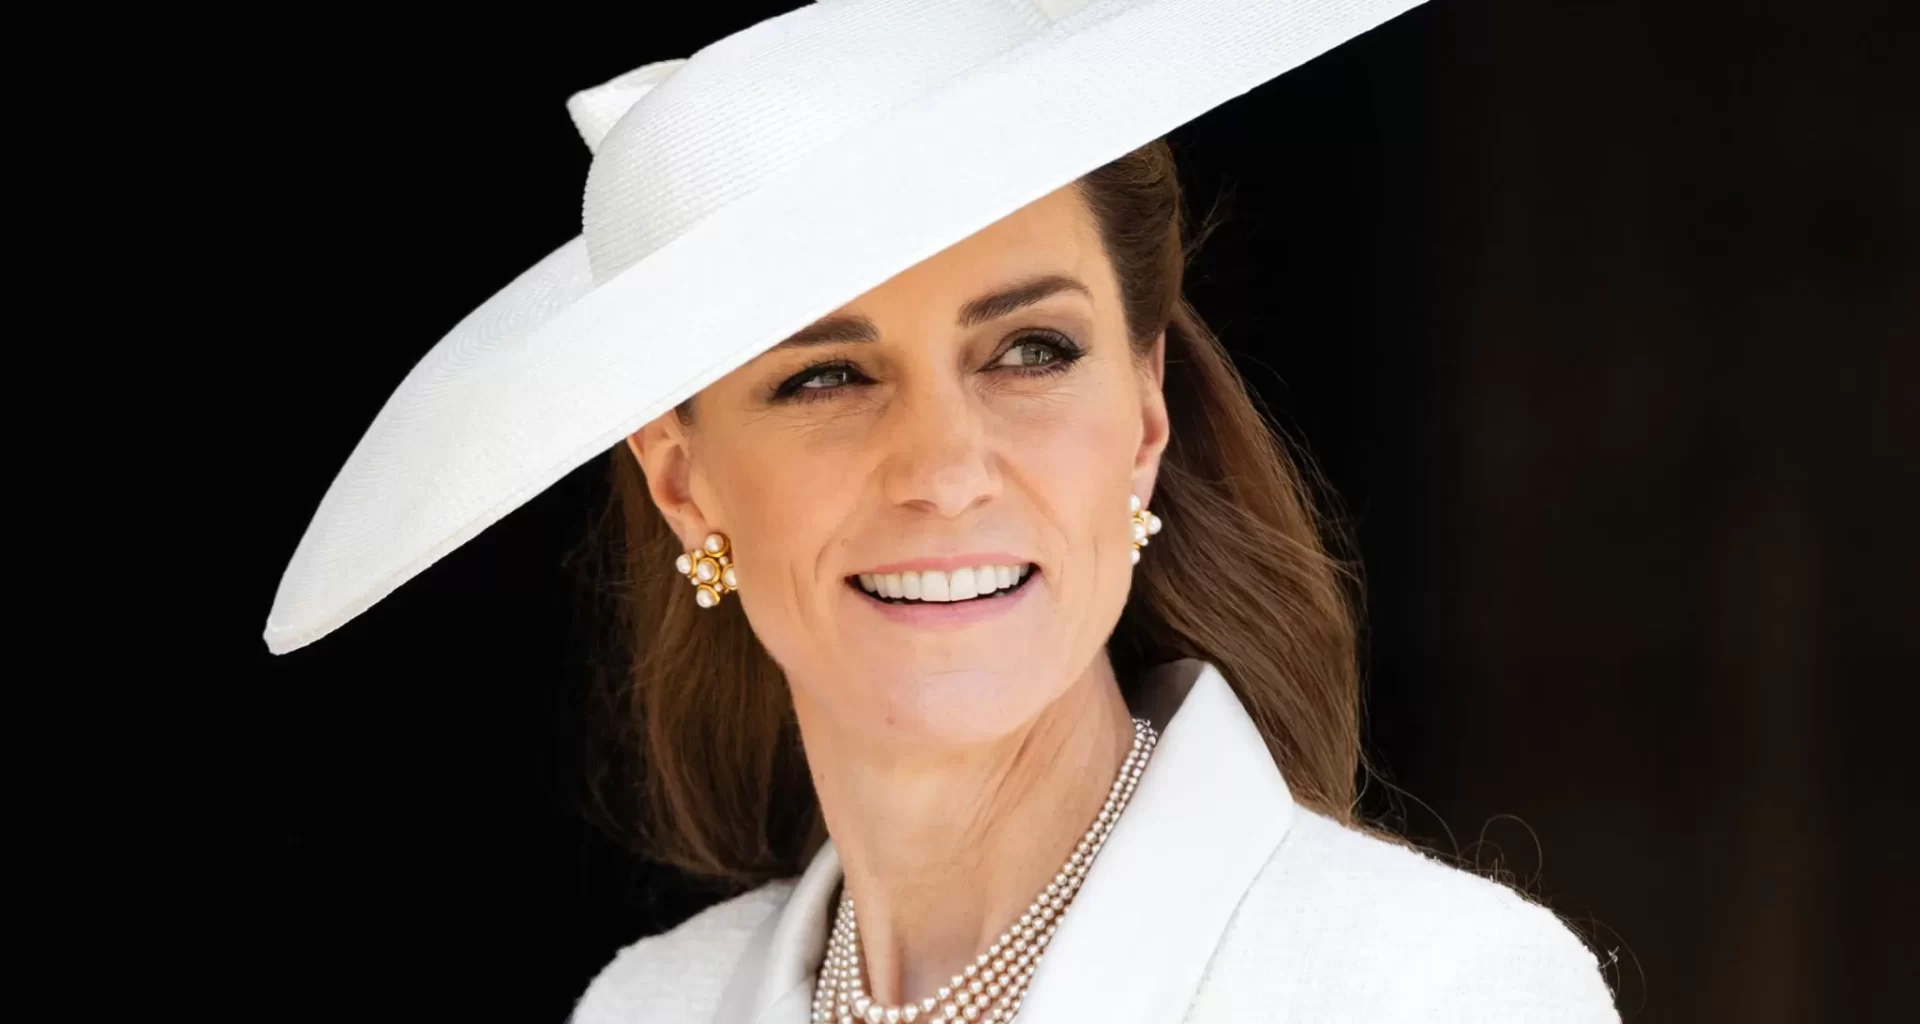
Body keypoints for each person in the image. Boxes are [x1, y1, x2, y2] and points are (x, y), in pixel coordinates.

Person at [264, 2, 1620, 1021]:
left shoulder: (1428, 992)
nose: (946, 469)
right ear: (682, 482)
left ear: (1145, 416)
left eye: (1030, 351)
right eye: (827, 377)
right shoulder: (649, 1009)